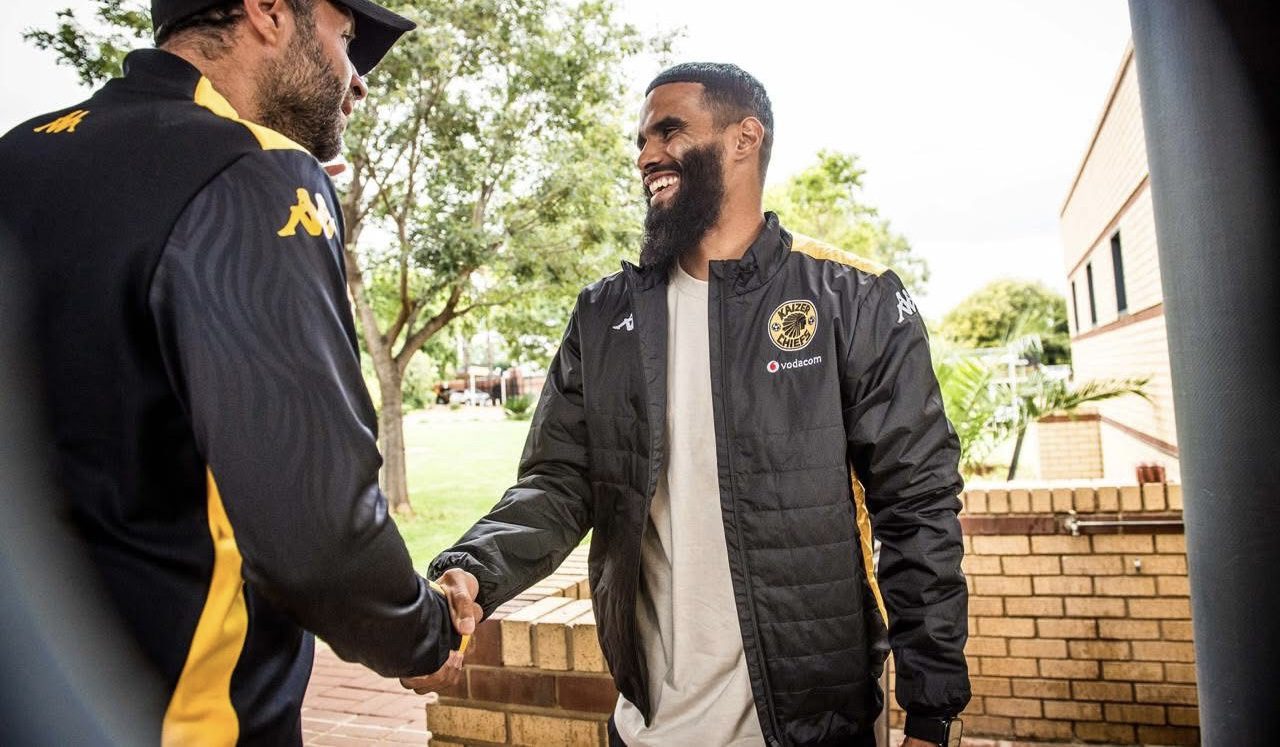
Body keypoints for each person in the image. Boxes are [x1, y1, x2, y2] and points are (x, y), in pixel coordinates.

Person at [411, 63, 970, 747]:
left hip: (812, 727)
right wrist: (473, 568)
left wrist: (931, 710)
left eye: (669, 131)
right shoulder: (604, 314)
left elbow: (918, 510)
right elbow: (556, 483)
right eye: (641, 140)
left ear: (745, 137)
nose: (647, 156)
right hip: (645, 726)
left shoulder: (853, 299)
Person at [0, 1, 468, 743]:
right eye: (347, 39)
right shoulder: (255, 169)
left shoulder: (19, 151)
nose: (358, 82)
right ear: (269, 12)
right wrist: (425, 630)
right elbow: (319, 539)